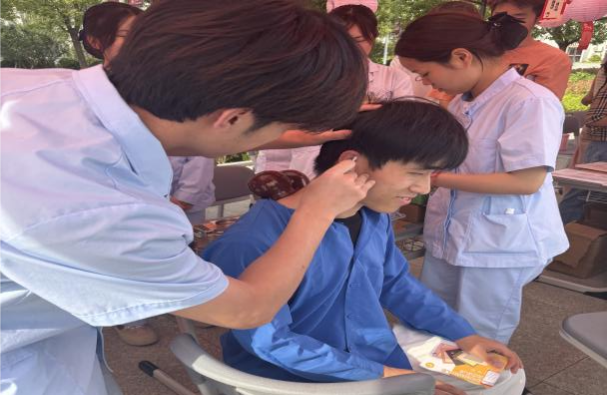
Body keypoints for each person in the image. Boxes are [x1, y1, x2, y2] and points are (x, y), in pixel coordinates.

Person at [0, 0, 375, 395]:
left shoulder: (37, 88)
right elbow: (246, 309)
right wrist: (317, 209)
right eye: (281, 127)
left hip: (43, 330)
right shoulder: (95, 207)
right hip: (15, 375)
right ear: (231, 117)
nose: (287, 137)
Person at [204, 101, 526, 395]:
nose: (425, 189)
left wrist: (466, 336)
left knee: (502, 374)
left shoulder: (372, 216)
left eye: (430, 175)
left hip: (369, 352)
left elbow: (398, 285)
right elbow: (273, 344)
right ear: (352, 163)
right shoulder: (252, 240)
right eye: (416, 173)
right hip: (296, 383)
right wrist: (387, 377)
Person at [397, 12, 569, 344]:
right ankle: (430, 376)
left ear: (461, 57)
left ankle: (479, 380)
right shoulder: (461, 103)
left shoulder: (530, 102)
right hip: (453, 231)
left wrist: (435, 178)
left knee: (479, 337)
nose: (428, 84)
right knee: (433, 324)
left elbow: (526, 181)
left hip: (499, 243)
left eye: (426, 74)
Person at [81, 1, 219, 347]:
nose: (141, 43)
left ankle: (193, 303)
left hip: (180, 195)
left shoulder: (175, 80)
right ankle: (131, 317)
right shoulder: (85, 94)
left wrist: (184, 197)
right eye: (129, 34)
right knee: (128, 257)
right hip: (123, 202)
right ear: (97, 42)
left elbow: (201, 139)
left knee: (184, 253)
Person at [256, 4, 413, 178]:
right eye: (340, 39)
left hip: (365, 165)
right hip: (297, 165)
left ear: (373, 38)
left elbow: (403, 126)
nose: (347, 47)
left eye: (357, 40)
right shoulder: (302, 73)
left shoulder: (394, 78)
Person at [489, 0, 572, 99]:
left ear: (537, 19)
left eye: (518, 18)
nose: (507, 23)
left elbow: (542, 104)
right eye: (499, 16)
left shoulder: (553, 58)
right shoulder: (480, 49)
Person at [560, 58, 608, 224]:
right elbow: (595, 118)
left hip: (599, 140)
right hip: (601, 141)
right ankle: (563, 230)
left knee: (589, 193)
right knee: (584, 191)